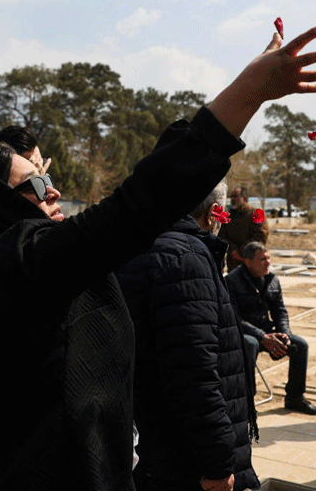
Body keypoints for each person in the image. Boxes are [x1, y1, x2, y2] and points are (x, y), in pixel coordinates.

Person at [0, 26, 316, 491]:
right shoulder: (19, 268)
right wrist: (247, 93)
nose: (53, 190)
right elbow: (136, 205)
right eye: (32, 183)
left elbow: (136, 193)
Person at [115, 181, 259, 491]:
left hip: (151, 443)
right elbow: (195, 375)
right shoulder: (185, 258)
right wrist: (219, 462)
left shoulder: (140, 242)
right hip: (183, 457)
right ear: (212, 214)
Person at [226, 241, 316, 416]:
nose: (268, 263)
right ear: (247, 262)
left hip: (267, 331)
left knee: (301, 345)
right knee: (250, 345)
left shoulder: (272, 280)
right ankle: (246, 403)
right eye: (262, 259)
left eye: (268, 258)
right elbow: (233, 318)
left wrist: (285, 334)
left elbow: (280, 312)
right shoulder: (231, 281)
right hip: (243, 332)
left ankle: (295, 398)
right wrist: (263, 337)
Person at [218, 186, 269, 271]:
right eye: (231, 196)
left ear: (245, 198)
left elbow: (261, 236)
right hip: (233, 265)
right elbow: (221, 236)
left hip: (253, 263)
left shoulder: (257, 213)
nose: (232, 199)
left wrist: (242, 252)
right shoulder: (228, 216)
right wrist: (232, 250)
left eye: (235, 196)